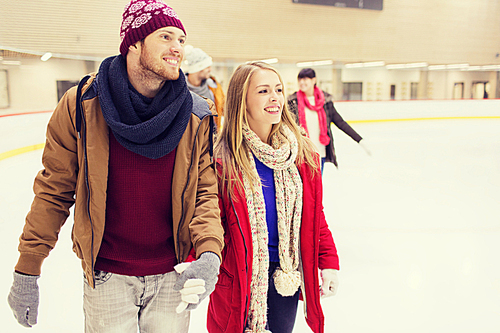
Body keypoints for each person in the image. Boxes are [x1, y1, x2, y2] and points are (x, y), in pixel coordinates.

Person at [7, 1, 224, 332]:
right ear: (134, 42)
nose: (178, 48)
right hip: (107, 276)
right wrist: (27, 268)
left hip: (172, 275)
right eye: (166, 37)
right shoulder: (83, 104)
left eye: (181, 40)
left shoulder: (196, 114)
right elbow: (54, 190)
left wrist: (209, 253)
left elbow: (205, 192)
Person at [208, 61, 340, 333]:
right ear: (241, 100)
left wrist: (328, 261)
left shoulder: (300, 155)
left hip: (285, 277)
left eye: (279, 90)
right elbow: (208, 223)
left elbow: (315, 216)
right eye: (263, 91)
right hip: (238, 277)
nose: (275, 98)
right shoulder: (223, 161)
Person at [288, 68, 371, 172]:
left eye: (305, 79)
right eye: (299, 79)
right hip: (301, 153)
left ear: (314, 80)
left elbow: (340, 122)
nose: (301, 82)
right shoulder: (292, 102)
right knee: (301, 187)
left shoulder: (325, 102)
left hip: (319, 153)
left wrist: (360, 140)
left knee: (317, 187)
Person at [182, 45, 225, 131]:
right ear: (198, 68)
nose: (210, 69)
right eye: (207, 66)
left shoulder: (214, 86)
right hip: (189, 137)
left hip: (211, 136)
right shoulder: (181, 88)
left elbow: (223, 109)